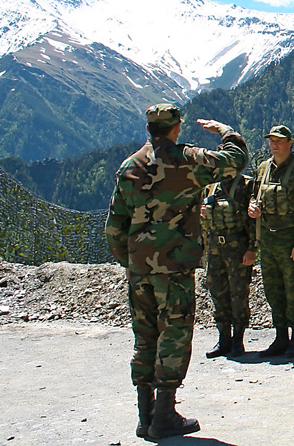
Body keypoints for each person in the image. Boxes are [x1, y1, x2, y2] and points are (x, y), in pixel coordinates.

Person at [106, 104, 248, 440]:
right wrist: (225, 131)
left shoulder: (129, 167)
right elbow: (235, 160)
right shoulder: (188, 160)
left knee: (145, 337)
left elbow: (114, 227)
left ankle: (146, 415)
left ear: (148, 128)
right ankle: (166, 415)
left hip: (140, 268)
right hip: (174, 265)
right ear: (176, 128)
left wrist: (132, 261)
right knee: (174, 335)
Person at [247, 124, 294, 358]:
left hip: (290, 240)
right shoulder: (263, 168)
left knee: (292, 290)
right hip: (268, 239)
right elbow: (255, 197)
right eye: (271, 140)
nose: (274, 144)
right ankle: (280, 337)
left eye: (279, 140)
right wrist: (253, 209)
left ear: (290, 143)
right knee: (272, 289)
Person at [201, 172, 256, 358]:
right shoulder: (212, 185)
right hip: (215, 247)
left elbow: (253, 220)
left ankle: (238, 340)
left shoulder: (247, 184)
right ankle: (223, 338)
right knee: (217, 292)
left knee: (239, 293)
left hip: (237, 247)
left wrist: (252, 248)